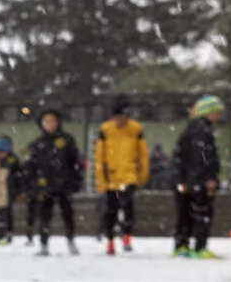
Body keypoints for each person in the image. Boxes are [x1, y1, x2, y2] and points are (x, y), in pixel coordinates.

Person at [93, 96, 149, 255]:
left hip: (129, 175)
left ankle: (126, 236)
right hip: (111, 177)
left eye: (121, 116)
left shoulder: (135, 129)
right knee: (111, 211)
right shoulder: (106, 130)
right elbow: (99, 157)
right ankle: (110, 241)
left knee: (127, 207)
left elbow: (142, 155)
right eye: (116, 117)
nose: (118, 120)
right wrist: (101, 180)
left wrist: (142, 176)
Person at [23, 108, 82, 255]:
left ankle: (71, 240)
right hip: (45, 185)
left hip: (64, 184)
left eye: (52, 121)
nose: (50, 124)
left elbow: (75, 162)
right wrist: (33, 184)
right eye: (46, 121)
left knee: (67, 214)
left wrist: (75, 180)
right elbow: (30, 166)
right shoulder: (37, 144)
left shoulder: (67, 140)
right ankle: (43, 243)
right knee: (44, 215)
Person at [172, 95, 224, 259]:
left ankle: (181, 245)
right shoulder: (205, 133)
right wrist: (210, 177)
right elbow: (206, 157)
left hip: (184, 180)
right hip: (200, 181)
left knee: (184, 213)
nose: (218, 117)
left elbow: (179, 157)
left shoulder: (187, 131)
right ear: (208, 113)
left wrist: (181, 179)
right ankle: (200, 247)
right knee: (203, 213)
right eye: (217, 112)